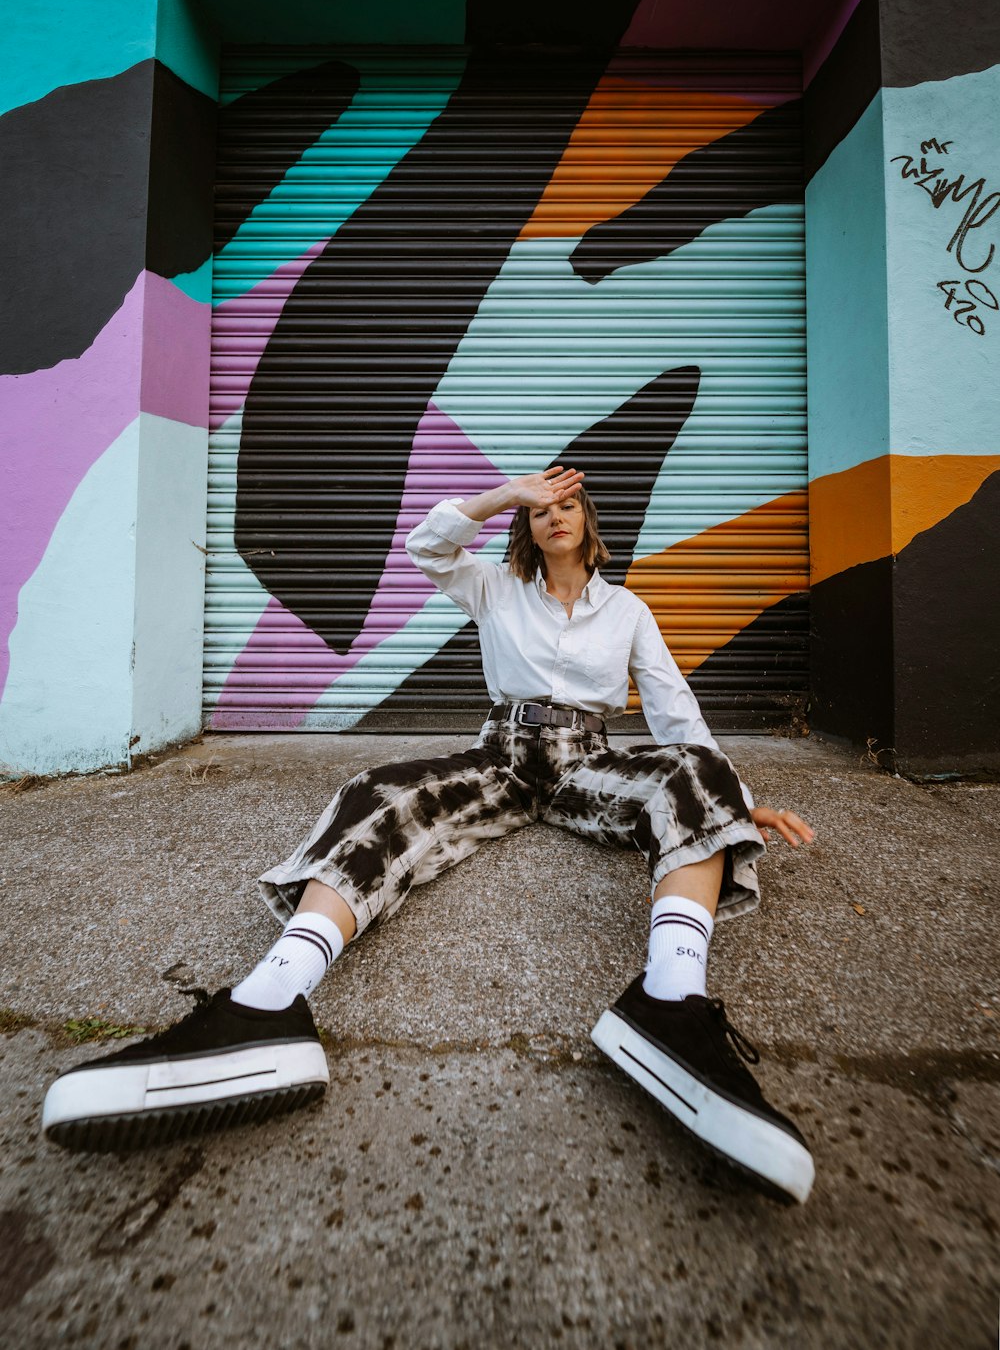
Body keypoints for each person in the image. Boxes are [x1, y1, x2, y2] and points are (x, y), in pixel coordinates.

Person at [41, 467, 817, 1202]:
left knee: (694, 770)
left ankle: (671, 1004)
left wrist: (736, 799)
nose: (553, 513)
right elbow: (426, 545)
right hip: (500, 759)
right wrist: (503, 493)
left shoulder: (628, 612)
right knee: (376, 792)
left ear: (589, 524)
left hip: (590, 765)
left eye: (565, 504)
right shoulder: (494, 585)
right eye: (539, 506)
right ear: (527, 523)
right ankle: (265, 1005)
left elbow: (676, 709)